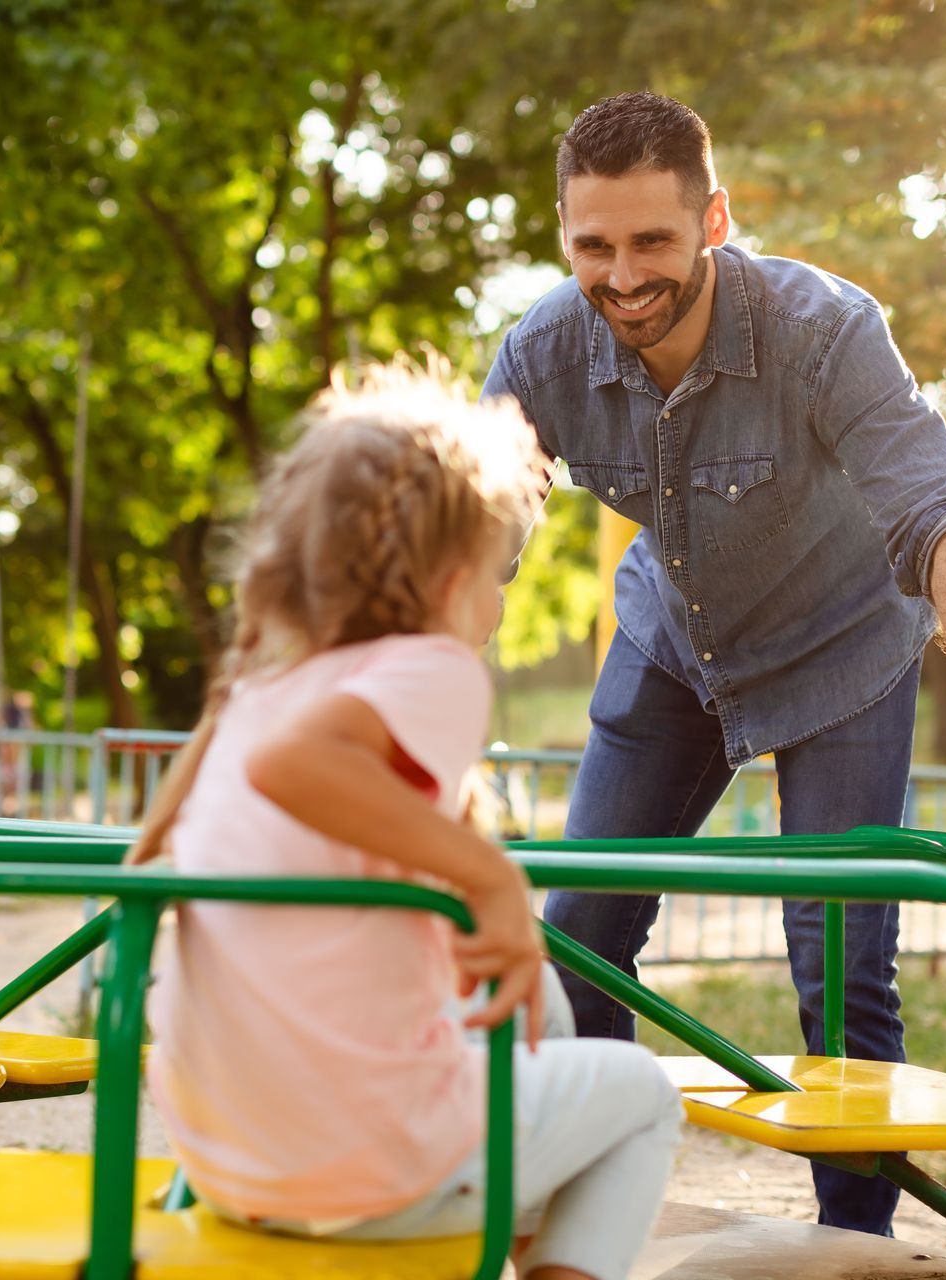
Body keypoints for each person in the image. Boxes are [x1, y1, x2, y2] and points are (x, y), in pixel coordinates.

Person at [480, 92, 946, 1235]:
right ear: (566, 237)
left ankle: (852, 1245)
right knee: (575, 936)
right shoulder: (543, 351)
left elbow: (941, 513)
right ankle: (572, 1229)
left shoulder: (824, 329)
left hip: (843, 654)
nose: (623, 276)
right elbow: (466, 532)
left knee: (838, 959)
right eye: (593, 246)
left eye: (653, 241)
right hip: (675, 649)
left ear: (714, 218)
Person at [129, 360, 683, 1280]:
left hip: (228, 1159)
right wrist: (489, 876)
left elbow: (169, 843)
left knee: (537, 1003)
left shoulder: (255, 691)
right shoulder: (426, 670)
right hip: (364, 1166)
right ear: (451, 577)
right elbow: (295, 768)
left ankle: (497, 1236)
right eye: (499, 564)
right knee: (643, 1096)